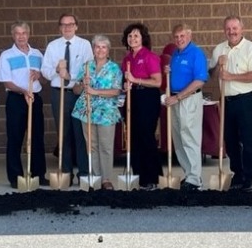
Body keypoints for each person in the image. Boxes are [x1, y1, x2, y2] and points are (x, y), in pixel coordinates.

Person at [209, 15, 252, 192]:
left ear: (242, 29)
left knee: (248, 140)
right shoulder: (219, 49)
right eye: (228, 29)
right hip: (226, 100)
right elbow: (212, 74)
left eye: (235, 28)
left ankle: (249, 177)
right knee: (230, 141)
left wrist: (231, 76)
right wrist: (218, 65)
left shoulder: (250, 48)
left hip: (245, 100)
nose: (232, 32)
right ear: (224, 30)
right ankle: (237, 175)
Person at [41, 13, 93, 186]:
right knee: (63, 133)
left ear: (76, 26)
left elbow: (89, 68)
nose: (67, 27)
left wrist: (70, 77)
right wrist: (56, 70)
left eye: (70, 24)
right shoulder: (53, 46)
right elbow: (45, 71)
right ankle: (66, 173)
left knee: (81, 134)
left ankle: (84, 173)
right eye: (63, 25)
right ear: (59, 27)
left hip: (78, 93)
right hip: (59, 93)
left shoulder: (84, 45)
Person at [0, 20, 48, 188]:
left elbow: (45, 75)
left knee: (37, 137)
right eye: (17, 33)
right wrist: (23, 91)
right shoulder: (7, 55)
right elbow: (6, 82)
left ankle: (38, 174)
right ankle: (15, 177)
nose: (21, 37)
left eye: (23, 33)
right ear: (13, 35)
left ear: (28, 34)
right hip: (17, 99)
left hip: (35, 98)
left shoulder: (38, 54)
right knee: (15, 138)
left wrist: (38, 74)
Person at [71, 35, 123, 190]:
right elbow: (76, 90)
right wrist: (82, 84)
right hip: (87, 111)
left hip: (106, 112)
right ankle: (95, 176)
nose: (100, 50)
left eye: (103, 47)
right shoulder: (87, 66)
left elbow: (116, 91)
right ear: (93, 49)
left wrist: (95, 91)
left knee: (105, 146)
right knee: (91, 146)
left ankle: (106, 179)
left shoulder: (114, 68)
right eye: (97, 47)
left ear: (108, 50)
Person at [163, 24, 208, 191]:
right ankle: (189, 175)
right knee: (179, 140)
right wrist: (169, 70)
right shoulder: (176, 54)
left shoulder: (196, 53)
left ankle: (195, 178)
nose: (179, 39)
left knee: (189, 137)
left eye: (182, 36)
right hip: (175, 99)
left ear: (189, 35)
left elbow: (199, 80)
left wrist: (178, 97)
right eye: (176, 37)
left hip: (188, 99)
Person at [121, 23, 163, 190]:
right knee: (133, 137)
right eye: (130, 36)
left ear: (143, 38)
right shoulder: (127, 59)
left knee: (146, 136)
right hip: (132, 97)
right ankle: (138, 175)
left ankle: (152, 177)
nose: (132, 39)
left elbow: (157, 81)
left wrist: (135, 80)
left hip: (147, 98)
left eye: (136, 36)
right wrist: (127, 85)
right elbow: (127, 81)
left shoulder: (149, 57)